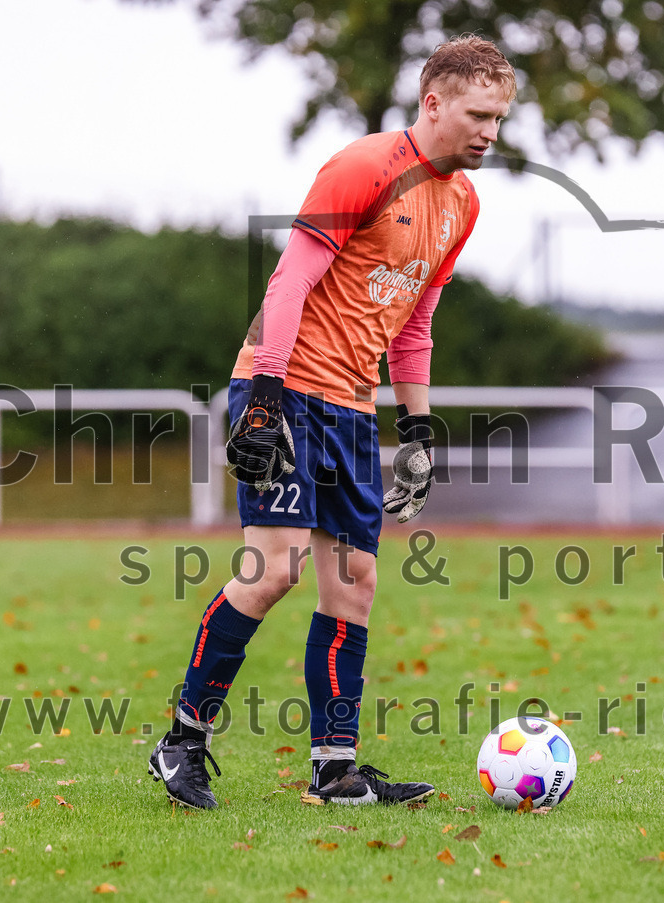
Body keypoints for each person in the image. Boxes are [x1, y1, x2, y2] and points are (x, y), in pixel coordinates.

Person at [148, 35, 517, 808]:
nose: (489, 132)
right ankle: (182, 738)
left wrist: (417, 430)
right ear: (434, 103)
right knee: (273, 568)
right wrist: (261, 398)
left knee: (355, 583)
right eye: (478, 114)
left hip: (350, 406)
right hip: (281, 390)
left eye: (500, 118)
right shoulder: (365, 167)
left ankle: (335, 767)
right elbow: (289, 282)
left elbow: (412, 326)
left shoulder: (463, 203)